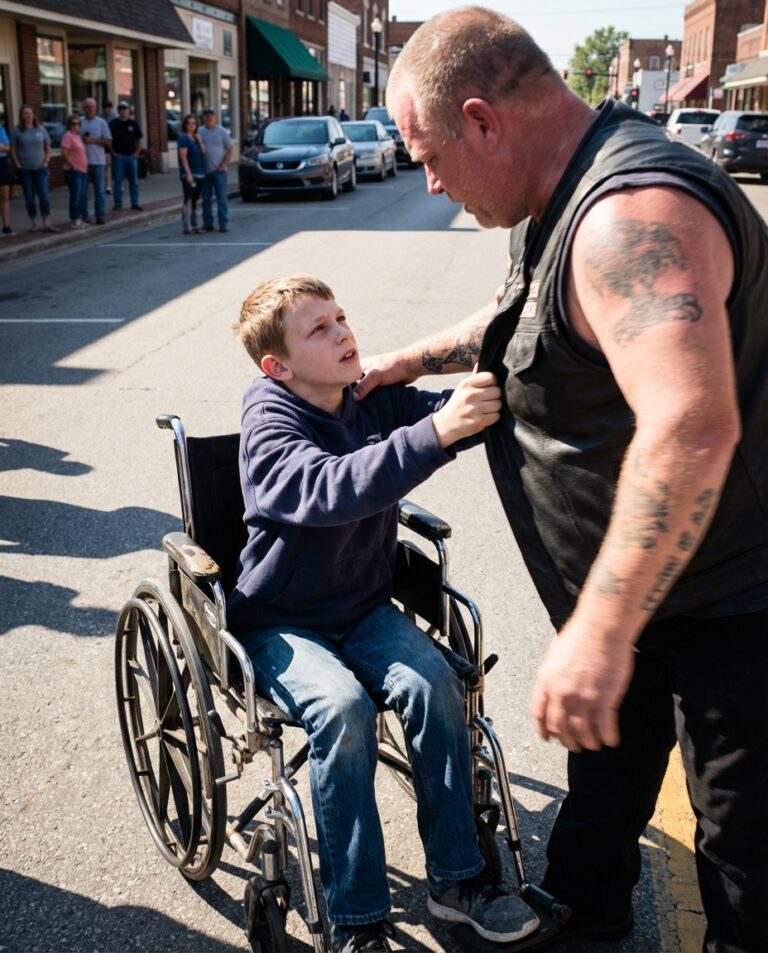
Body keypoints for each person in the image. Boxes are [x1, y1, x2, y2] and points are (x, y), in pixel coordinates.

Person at [354, 8, 768, 953]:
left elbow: (693, 427)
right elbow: (528, 315)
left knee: (742, 844)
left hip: (729, 602)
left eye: (429, 154)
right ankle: (587, 909)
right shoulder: (560, 198)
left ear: (483, 121)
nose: (428, 181)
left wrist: (599, 631)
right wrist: (406, 361)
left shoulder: (631, 216)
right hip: (654, 590)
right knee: (607, 772)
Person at [229, 275, 540, 953]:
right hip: (280, 618)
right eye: (319, 329)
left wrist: (498, 394)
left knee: (436, 683)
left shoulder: (365, 395)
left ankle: (459, 878)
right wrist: (435, 432)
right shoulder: (269, 421)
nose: (343, 333)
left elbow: (448, 414)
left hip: (363, 605)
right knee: (343, 710)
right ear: (276, 367)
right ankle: (357, 919)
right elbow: (326, 486)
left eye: (341, 317)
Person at [9, 104, 58, 233]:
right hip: (25, 169)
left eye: (29, 113)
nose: (27, 116)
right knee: (29, 197)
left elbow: (48, 146)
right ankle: (34, 223)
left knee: (44, 195)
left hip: (40, 168)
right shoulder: (17, 130)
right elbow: (13, 149)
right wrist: (17, 164)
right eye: (25, 113)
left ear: (33, 115)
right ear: (21, 116)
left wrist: (46, 161)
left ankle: (46, 222)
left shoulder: (40, 129)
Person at [199, 107, 232, 233]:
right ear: (204, 118)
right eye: (206, 115)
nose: (209, 117)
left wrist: (224, 164)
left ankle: (223, 223)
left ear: (215, 117)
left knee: (221, 198)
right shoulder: (200, 132)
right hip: (205, 171)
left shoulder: (222, 131)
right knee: (206, 199)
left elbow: (230, 149)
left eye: (211, 115)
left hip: (219, 171)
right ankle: (208, 223)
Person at [80, 97, 112, 225]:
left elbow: (108, 141)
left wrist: (93, 140)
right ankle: (84, 216)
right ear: (84, 108)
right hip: (82, 162)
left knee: (99, 190)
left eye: (92, 106)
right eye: (87, 107)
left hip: (98, 161)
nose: (90, 109)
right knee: (83, 191)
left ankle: (100, 215)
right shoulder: (79, 122)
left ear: (96, 108)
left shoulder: (101, 122)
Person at [109, 101, 143, 211]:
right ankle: (118, 203)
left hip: (131, 156)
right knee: (118, 181)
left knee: (134, 181)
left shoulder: (133, 124)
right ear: (118, 111)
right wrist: (112, 152)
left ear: (129, 111)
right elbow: (108, 140)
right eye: (121, 110)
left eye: (125, 110)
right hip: (119, 157)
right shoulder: (113, 124)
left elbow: (140, 140)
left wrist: (137, 153)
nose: (123, 112)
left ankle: (135, 202)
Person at [177, 113, 206, 235]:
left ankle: (195, 225)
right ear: (185, 125)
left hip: (200, 173)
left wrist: (199, 141)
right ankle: (187, 225)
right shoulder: (183, 138)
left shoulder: (196, 137)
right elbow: (183, 158)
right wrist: (188, 174)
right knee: (188, 199)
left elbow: (204, 151)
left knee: (195, 200)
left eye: (193, 123)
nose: (191, 126)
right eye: (189, 123)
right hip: (189, 173)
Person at [60, 114, 88, 228]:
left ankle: (80, 218)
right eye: (73, 124)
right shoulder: (67, 136)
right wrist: (73, 165)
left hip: (82, 170)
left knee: (81, 195)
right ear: (69, 125)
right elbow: (64, 151)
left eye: (77, 124)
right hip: (73, 170)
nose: (76, 126)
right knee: (75, 195)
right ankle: (76, 219)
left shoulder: (77, 136)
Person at [100, 99, 116, 194]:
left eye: (109, 107)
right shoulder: (101, 119)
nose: (108, 110)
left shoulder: (115, 118)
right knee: (108, 165)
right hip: (105, 145)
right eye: (106, 108)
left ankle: (117, 184)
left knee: (115, 165)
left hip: (114, 144)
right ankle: (108, 186)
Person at [0, 118, 12, 234]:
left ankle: (6, 225)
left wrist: (2, 147)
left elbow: (8, 147)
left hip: (2, 162)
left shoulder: (1, 129)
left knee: (5, 195)